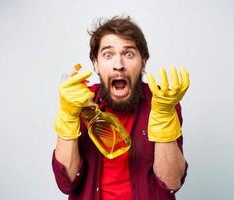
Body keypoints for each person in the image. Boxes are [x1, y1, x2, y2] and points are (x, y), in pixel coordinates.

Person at [52, 16, 190, 200]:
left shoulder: (163, 102)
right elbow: (66, 183)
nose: (119, 65)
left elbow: (172, 182)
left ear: (143, 63)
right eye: (108, 55)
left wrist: (164, 116)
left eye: (129, 54)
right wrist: (68, 116)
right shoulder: (78, 101)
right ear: (96, 63)